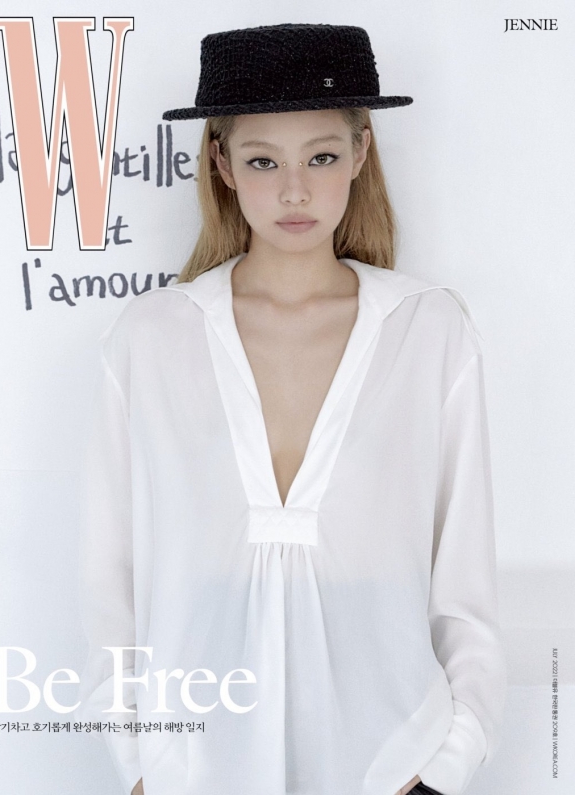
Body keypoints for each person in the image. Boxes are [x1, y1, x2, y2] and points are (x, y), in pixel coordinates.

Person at [76, 23, 507, 795]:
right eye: (263, 161)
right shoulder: (150, 337)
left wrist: (444, 766)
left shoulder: (429, 329)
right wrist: (137, 764)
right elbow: (111, 577)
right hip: (193, 768)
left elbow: (465, 582)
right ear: (222, 163)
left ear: (361, 152)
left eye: (322, 156)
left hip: (390, 759)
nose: (295, 191)